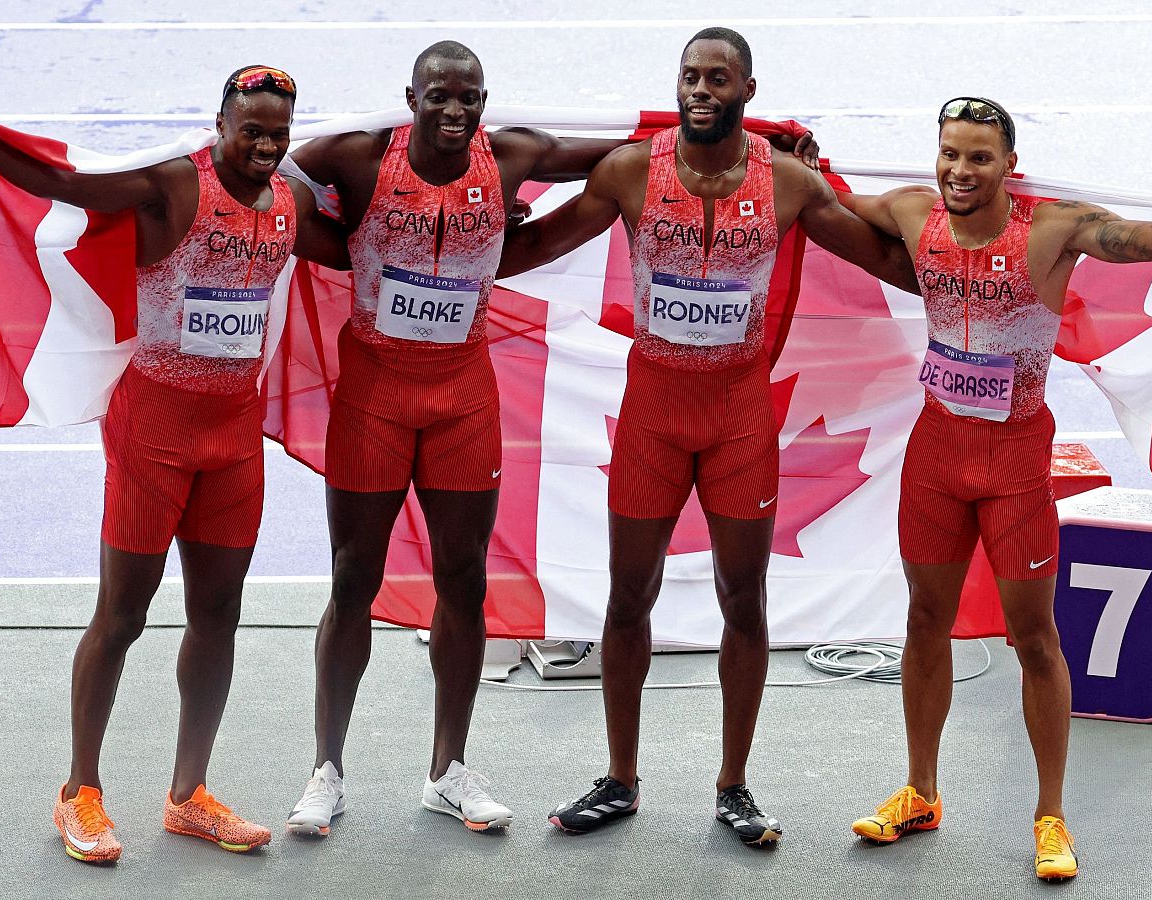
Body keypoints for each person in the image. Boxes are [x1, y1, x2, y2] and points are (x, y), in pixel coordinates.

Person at [280, 40, 820, 838]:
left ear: (486, 100)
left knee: (466, 578)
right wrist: (344, 241)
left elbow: (622, 148)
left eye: (469, 97)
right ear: (412, 96)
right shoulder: (359, 156)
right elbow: (269, 176)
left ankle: (449, 770)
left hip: (470, 395)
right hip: (377, 395)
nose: (455, 110)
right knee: (353, 573)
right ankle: (326, 771)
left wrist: (758, 138)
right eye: (439, 97)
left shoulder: (515, 156)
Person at [837, 96, 1152, 881]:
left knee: (1033, 638)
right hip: (935, 453)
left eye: (979, 158)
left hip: (1014, 458)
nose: (961, 171)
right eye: (950, 154)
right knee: (925, 618)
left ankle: (1050, 816)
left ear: (1008, 166)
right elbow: (819, 200)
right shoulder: (910, 211)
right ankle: (920, 792)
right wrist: (778, 150)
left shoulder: (1051, 231)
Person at [495, 27, 917, 847]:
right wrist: (452, 246)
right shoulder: (629, 172)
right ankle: (620, 778)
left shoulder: (789, 182)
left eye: (716, 79)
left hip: (738, 418)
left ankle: (734, 786)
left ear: (746, 92)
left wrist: (980, 255)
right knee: (627, 597)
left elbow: (885, 260)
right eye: (689, 77)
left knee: (743, 600)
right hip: (654, 408)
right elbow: (538, 243)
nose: (699, 90)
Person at [0, 65, 348, 864]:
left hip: (233, 435)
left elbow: (351, 247)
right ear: (218, 124)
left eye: (277, 135)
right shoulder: (169, 186)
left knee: (217, 617)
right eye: (250, 130)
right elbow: (69, 183)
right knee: (122, 615)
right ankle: (78, 792)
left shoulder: (288, 204)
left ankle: (189, 795)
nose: (264, 146)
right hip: (152, 426)